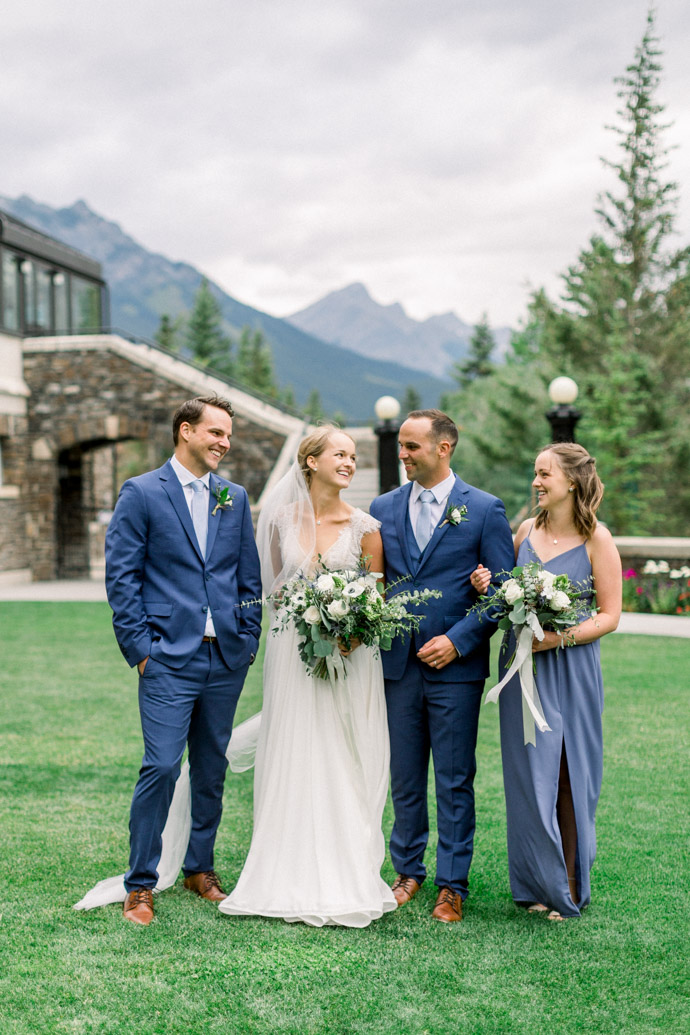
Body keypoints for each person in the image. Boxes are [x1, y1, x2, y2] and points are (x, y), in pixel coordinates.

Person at [219, 427, 397, 927]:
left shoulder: (365, 526)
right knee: (293, 751)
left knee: (342, 753)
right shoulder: (278, 520)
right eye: (339, 453)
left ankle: (345, 872)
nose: (349, 462)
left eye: (353, 456)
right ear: (311, 460)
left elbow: (375, 601)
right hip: (293, 659)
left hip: (348, 662)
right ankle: (282, 870)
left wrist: (347, 636)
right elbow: (274, 592)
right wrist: (308, 621)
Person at [103, 394, 262, 925]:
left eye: (228, 436)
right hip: (167, 657)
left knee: (211, 767)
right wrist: (141, 650)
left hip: (226, 658)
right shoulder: (143, 492)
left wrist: (248, 638)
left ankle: (200, 868)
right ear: (186, 431)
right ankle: (140, 884)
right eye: (215, 432)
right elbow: (121, 576)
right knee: (163, 765)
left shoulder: (234, 497)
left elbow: (247, 578)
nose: (224, 443)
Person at [370, 410, 514, 922]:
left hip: (455, 670)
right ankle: (407, 871)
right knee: (405, 776)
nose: (402, 454)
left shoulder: (484, 509)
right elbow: (375, 583)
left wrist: (457, 641)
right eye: (402, 446)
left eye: (412, 447)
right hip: (397, 667)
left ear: (444, 447)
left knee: (454, 779)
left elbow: (501, 595)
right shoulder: (381, 507)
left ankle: (452, 885)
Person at [471, 442, 621, 919]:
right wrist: (487, 586)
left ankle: (570, 886)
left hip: (571, 668)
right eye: (536, 474)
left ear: (570, 482)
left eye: (544, 475)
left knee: (567, 773)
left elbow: (612, 615)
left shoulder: (598, 538)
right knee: (528, 776)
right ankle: (537, 884)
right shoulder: (525, 531)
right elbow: (507, 593)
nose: (536, 482)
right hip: (521, 668)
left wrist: (562, 639)